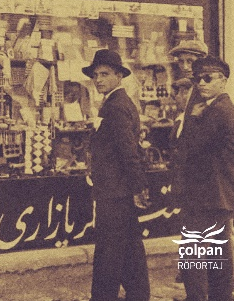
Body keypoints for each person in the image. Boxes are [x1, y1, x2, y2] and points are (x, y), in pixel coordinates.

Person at [176, 56, 234, 301]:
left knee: (191, 252)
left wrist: (192, 118)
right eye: (198, 79)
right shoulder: (216, 108)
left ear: (223, 81)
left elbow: (190, 146)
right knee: (219, 252)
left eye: (208, 78)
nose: (201, 83)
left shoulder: (218, 112)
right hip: (218, 194)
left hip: (209, 195)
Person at [83, 49, 150, 301]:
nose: (98, 80)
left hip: (114, 192)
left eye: (105, 74)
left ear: (119, 76)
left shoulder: (116, 107)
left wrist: (138, 187)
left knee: (108, 252)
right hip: (118, 189)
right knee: (130, 247)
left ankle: (103, 297)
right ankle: (139, 294)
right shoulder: (115, 102)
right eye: (95, 75)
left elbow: (128, 151)